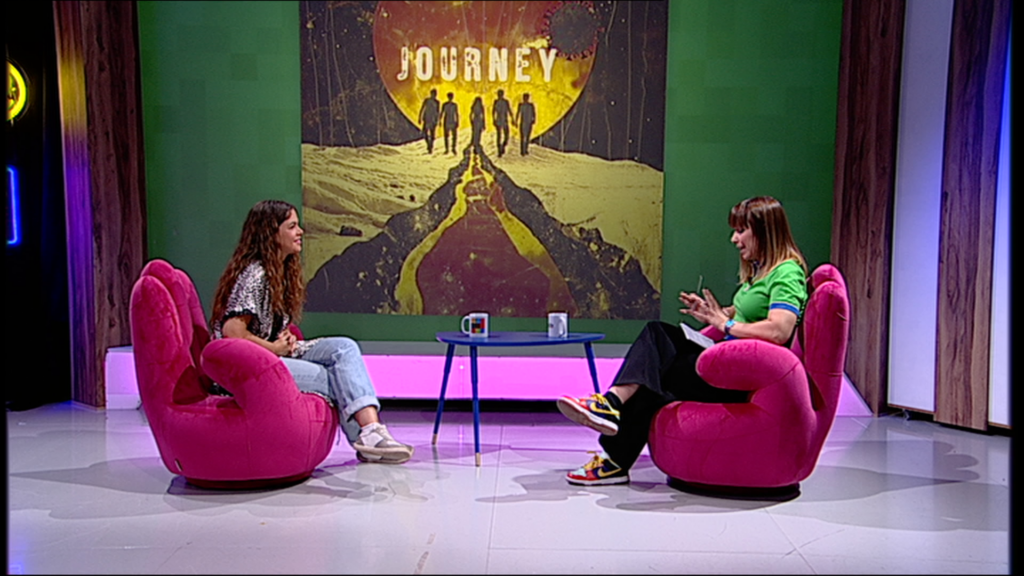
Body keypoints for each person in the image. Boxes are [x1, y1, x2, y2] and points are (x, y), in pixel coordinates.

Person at [555, 196, 808, 485]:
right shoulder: (761, 270)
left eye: (741, 231)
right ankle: (613, 448)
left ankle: (610, 413)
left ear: (764, 230)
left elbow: (779, 330)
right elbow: (750, 313)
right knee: (653, 367)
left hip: (744, 380)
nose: (734, 239)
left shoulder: (787, 273)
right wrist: (714, 313)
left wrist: (725, 323)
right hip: (730, 366)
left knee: (657, 340)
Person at [209, 200, 414, 464]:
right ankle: (368, 438)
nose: (300, 232)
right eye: (292, 226)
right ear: (271, 233)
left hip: (273, 355)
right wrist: (274, 348)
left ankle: (371, 433)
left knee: (344, 347)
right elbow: (232, 334)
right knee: (335, 376)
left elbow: (266, 325)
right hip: (245, 369)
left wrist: (284, 337)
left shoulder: (279, 270)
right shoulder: (256, 275)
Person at [418, 88, 440, 153]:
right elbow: (422, 108)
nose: (434, 95)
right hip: (426, 119)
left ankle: (431, 146)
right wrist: (420, 117)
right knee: (425, 133)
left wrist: (437, 120)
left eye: (435, 94)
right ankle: (428, 144)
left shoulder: (437, 102)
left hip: (433, 120)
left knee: (432, 134)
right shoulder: (426, 100)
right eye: (433, 94)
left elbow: (438, 112)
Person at [492, 89, 511, 156]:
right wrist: (494, 119)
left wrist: (512, 118)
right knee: (499, 135)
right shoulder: (496, 102)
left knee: (506, 135)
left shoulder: (506, 102)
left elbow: (509, 110)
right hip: (498, 120)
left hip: (505, 120)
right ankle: (499, 149)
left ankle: (503, 146)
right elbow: (493, 111)